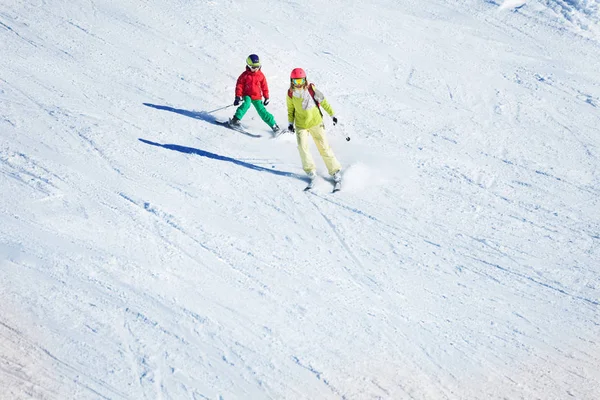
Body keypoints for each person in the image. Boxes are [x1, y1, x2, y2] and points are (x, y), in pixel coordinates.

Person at [286, 68, 341, 183]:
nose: (299, 84)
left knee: (324, 147)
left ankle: (334, 171)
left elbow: (324, 101)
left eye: (301, 81)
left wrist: (332, 115)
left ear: (305, 80)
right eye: (296, 82)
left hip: (316, 123)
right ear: (292, 81)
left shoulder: (311, 89)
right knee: (302, 147)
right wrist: (290, 123)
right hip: (301, 125)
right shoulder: (290, 94)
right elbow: (290, 110)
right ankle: (310, 171)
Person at [230, 54, 280, 134]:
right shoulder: (244, 75)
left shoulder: (261, 75)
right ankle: (235, 120)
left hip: (257, 97)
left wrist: (266, 97)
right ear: (249, 66)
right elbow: (239, 85)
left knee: (262, 111)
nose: (256, 69)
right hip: (247, 95)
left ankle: (274, 126)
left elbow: (264, 87)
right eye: (253, 67)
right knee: (246, 104)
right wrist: (238, 96)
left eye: (258, 66)